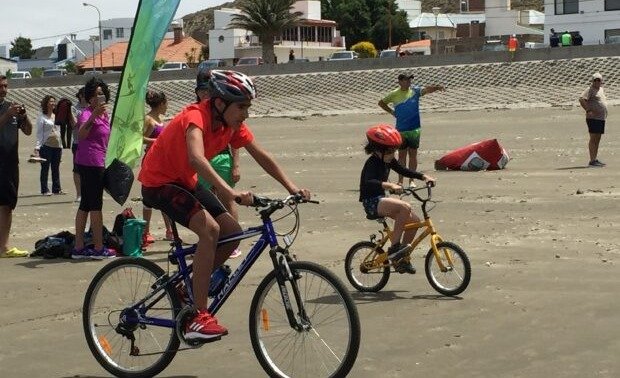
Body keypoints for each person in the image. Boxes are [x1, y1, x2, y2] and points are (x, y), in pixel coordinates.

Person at [138, 69, 311, 341]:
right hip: (158, 182)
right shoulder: (195, 117)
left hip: (184, 180)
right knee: (209, 230)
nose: (246, 114)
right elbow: (196, 158)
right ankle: (197, 316)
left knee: (232, 234)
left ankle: (188, 287)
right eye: (241, 106)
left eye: (248, 107)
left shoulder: (231, 125)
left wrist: (292, 187)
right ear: (220, 103)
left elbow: (260, 155)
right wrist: (230, 191)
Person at [359, 124, 435, 274]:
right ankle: (395, 248)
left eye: (394, 150)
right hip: (371, 202)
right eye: (389, 151)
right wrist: (390, 185)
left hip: (381, 199)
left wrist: (422, 176)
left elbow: (402, 170)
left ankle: (401, 257)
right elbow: (368, 183)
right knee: (404, 207)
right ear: (377, 150)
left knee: (414, 222)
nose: (392, 154)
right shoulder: (372, 163)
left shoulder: (388, 160)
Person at [195, 69, 242, 258]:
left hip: (222, 160)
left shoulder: (226, 113)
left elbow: (237, 141)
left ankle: (232, 242)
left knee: (227, 199)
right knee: (203, 203)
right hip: (202, 163)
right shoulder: (196, 113)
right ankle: (209, 240)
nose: (205, 94)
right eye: (202, 90)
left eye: (208, 90)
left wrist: (236, 164)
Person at [72, 77, 116, 259]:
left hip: (97, 161)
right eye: (96, 94)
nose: (100, 96)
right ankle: (98, 248)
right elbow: (81, 134)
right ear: (89, 98)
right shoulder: (86, 113)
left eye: (102, 93)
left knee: (85, 205)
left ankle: (79, 246)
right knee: (96, 206)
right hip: (90, 163)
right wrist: (93, 116)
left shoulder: (105, 115)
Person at [378, 73, 444, 187]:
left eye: (410, 80)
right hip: (401, 130)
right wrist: (392, 112)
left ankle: (412, 180)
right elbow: (381, 103)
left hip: (415, 129)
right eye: (406, 80)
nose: (409, 82)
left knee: (413, 155)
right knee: (402, 156)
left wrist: (437, 87)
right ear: (400, 81)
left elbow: (427, 90)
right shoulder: (394, 94)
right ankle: (400, 180)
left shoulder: (415, 91)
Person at [0, 75, 33, 258]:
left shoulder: (11, 107)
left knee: (7, 204)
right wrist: (7, 115)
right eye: (0, 87)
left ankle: (3, 247)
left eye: (5, 86)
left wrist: (24, 116)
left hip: (10, 163)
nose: (4, 90)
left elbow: (28, 131)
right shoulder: (6, 111)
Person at [141, 89, 173, 245]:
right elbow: (139, 138)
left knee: (165, 196)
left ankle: (169, 230)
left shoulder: (160, 118)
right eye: (166, 103)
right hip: (150, 161)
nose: (167, 106)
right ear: (161, 103)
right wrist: (157, 142)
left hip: (163, 161)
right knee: (148, 198)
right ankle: (145, 232)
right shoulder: (148, 119)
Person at [35, 95, 64, 195]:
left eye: (54, 102)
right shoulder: (42, 117)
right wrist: (37, 147)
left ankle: (57, 189)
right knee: (45, 168)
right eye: (51, 101)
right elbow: (39, 133)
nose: (53, 103)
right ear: (46, 103)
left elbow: (60, 131)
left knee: (56, 168)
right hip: (46, 146)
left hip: (57, 146)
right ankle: (44, 190)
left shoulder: (57, 116)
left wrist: (62, 145)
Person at [579, 73, 608, 167]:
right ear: (592, 81)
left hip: (601, 118)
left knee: (598, 139)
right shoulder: (590, 89)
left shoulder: (601, 89)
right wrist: (588, 110)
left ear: (601, 81)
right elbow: (581, 99)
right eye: (595, 80)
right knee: (593, 138)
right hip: (593, 118)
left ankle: (595, 159)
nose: (597, 82)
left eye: (598, 80)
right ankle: (592, 161)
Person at [71, 87, 88, 203]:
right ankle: (79, 194)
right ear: (81, 96)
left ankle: (89, 192)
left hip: (91, 143)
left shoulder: (92, 108)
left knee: (91, 169)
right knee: (77, 170)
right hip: (78, 143)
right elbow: (74, 125)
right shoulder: (74, 109)